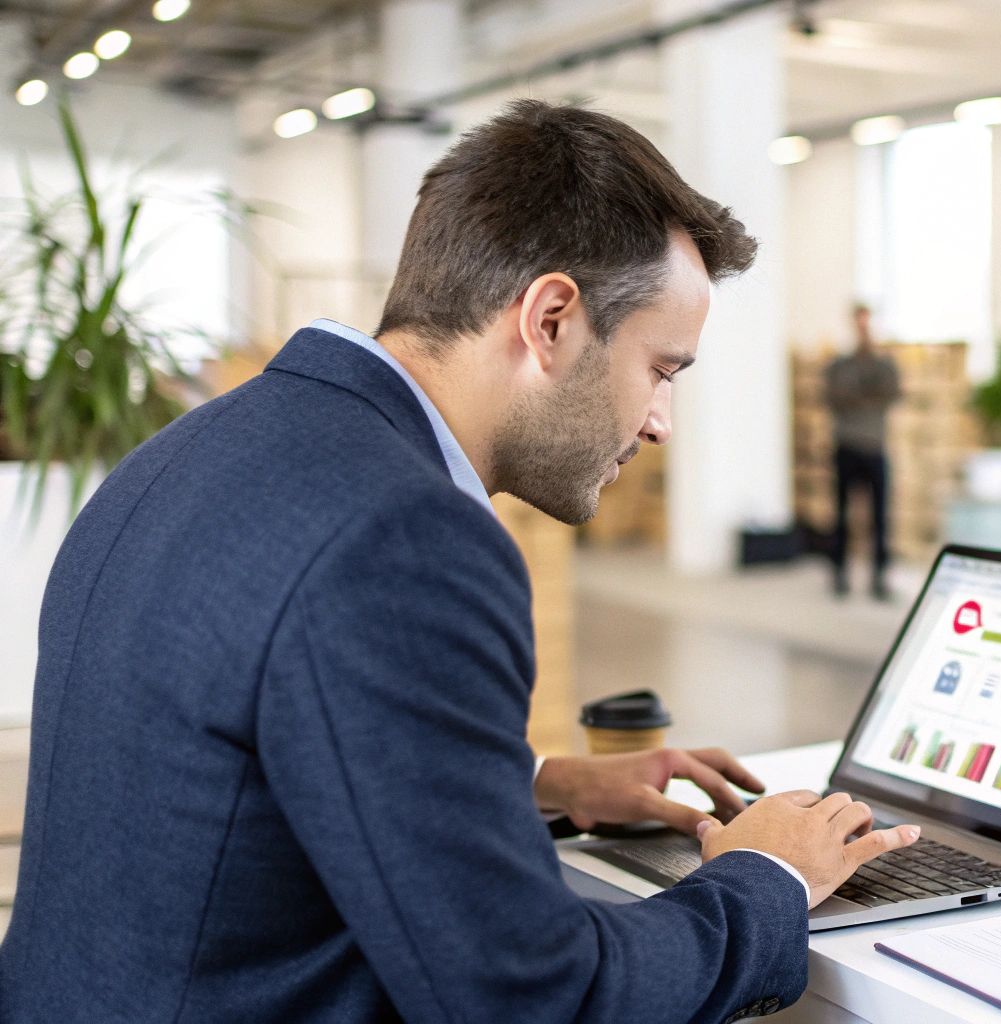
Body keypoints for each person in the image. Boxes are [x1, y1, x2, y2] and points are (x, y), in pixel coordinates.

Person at [0, 100, 918, 1024]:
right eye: (662, 369)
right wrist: (768, 877)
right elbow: (531, 998)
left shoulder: (193, 451)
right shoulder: (404, 536)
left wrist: (526, 783)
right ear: (551, 319)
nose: (658, 423)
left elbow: (231, 777)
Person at [823, 303, 901, 600]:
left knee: (880, 517)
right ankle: (839, 572)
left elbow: (889, 394)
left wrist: (856, 397)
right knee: (841, 514)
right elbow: (834, 397)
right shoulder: (840, 365)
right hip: (846, 446)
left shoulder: (884, 365)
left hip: (875, 447)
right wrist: (865, 396)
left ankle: (880, 576)